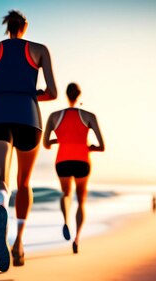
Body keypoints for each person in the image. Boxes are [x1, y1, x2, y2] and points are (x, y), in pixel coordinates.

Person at [0, 10, 56, 270]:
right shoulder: (39, 50)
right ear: (25, 27)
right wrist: (30, 94)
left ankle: (1, 206)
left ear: (7, 27)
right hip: (28, 117)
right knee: (25, 181)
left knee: (1, 176)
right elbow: (52, 92)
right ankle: (18, 242)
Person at [43, 83, 104, 254]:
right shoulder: (89, 116)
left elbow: (46, 144)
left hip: (62, 160)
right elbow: (102, 146)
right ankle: (77, 238)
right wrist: (89, 147)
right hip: (82, 160)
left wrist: (58, 140)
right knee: (81, 201)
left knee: (66, 194)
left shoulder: (54, 116)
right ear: (79, 95)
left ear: (66, 94)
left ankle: (65, 221)